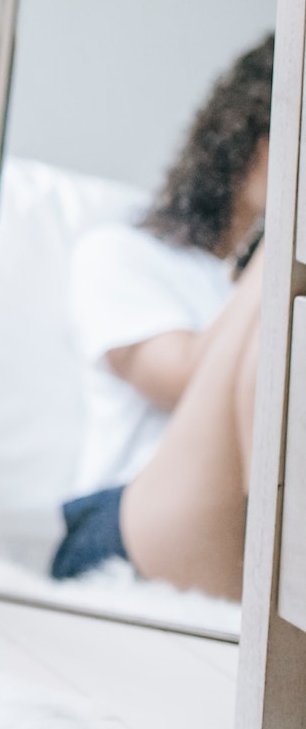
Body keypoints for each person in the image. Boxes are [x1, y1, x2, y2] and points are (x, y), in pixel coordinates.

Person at [52, 34, 275, 600]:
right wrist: (279, 242)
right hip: (120, 527)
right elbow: (182, 380)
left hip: (245, 523)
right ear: (243, 132)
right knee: (265, 349)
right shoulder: (119, 251)